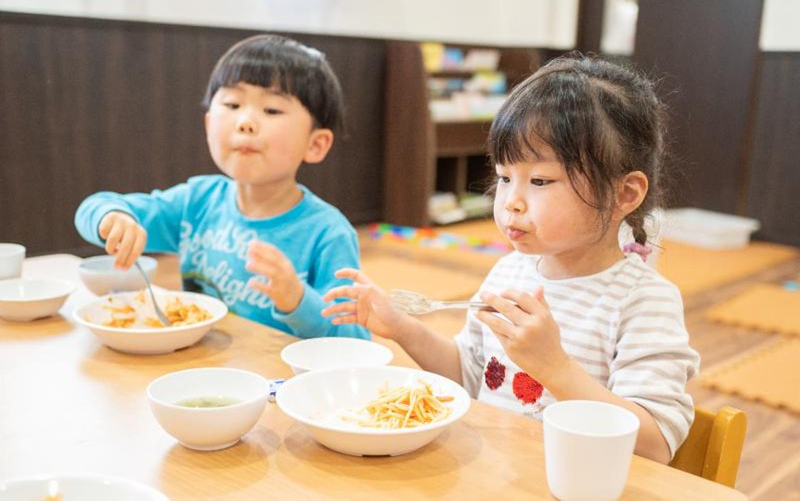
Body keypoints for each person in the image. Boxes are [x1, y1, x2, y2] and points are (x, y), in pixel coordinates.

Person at [322, 53, 700, 463]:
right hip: (492, 471)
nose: (510, 203)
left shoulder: (642, 302)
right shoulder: (510, 272)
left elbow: (655, 444)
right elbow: (469, 376)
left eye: (540, 180)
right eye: (504, 177)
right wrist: (400, 327)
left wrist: (554, 367)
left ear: (624, 195)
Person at [75, 34, 368, 339]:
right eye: (232, 104)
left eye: (271, 110)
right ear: (208, 125)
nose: (245, 122)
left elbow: (355, 341)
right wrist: (113, 218)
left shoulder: (328, 233)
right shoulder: (197, 202)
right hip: (201, 363)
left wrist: (298, 300)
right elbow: (93, 206)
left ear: (315, 144)